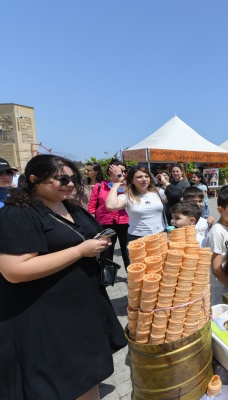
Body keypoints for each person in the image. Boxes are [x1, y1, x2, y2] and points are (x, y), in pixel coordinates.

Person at [0, 154, 126, 399]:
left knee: (87, 376)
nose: (70, 183)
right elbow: (14, 270)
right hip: (46, 315)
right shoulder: (19, 214)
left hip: (82, 310)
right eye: (62, 179)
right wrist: (80, 250)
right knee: (64, 381)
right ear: (34, 179)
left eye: (73, 178)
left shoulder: (67, 205)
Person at [105, 166, 172, 242]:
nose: (144, 179)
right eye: (139, 177)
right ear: (132, 180)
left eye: (146, 176)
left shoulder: (158, 192)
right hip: (137, 238)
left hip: (160, 235)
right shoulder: (127, 197)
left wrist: (165, 182)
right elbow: (110, 206)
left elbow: (175, 194)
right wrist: (114, 187)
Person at [88, 159, 130, 267]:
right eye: (119, 171)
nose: (122, 173)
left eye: (124, 171)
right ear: (110, 171)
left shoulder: (127, 186)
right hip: (105, 223)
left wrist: (121, 179)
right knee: (106, 251)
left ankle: (131, 274)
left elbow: (133, 196)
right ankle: (107, 275)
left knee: (128, 250)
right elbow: (92, 208)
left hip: (125, 222)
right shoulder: (100, 186)